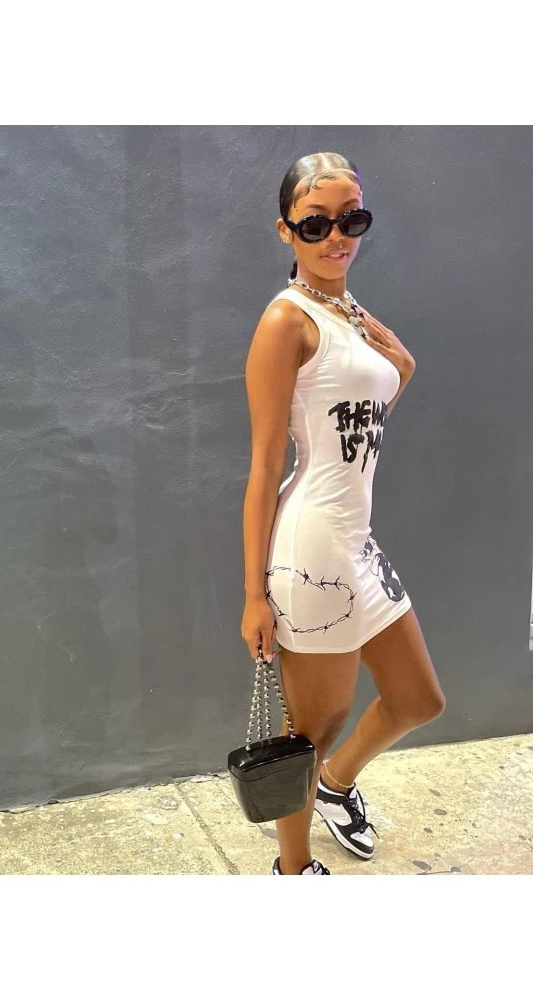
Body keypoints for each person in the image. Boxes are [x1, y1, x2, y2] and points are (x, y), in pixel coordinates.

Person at [240, 152, 446, 875]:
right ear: (286, 230)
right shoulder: (286, 321)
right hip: (311, 549)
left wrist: (404, 371)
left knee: (418, 699)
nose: (336, 236)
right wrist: (253, 594)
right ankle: (294, 871)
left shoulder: (347, 312)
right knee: (311, 728)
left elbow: (353, 421)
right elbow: (266, 466)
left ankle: (335, 785)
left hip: (357, 543)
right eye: (315, 223)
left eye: (351, 220)